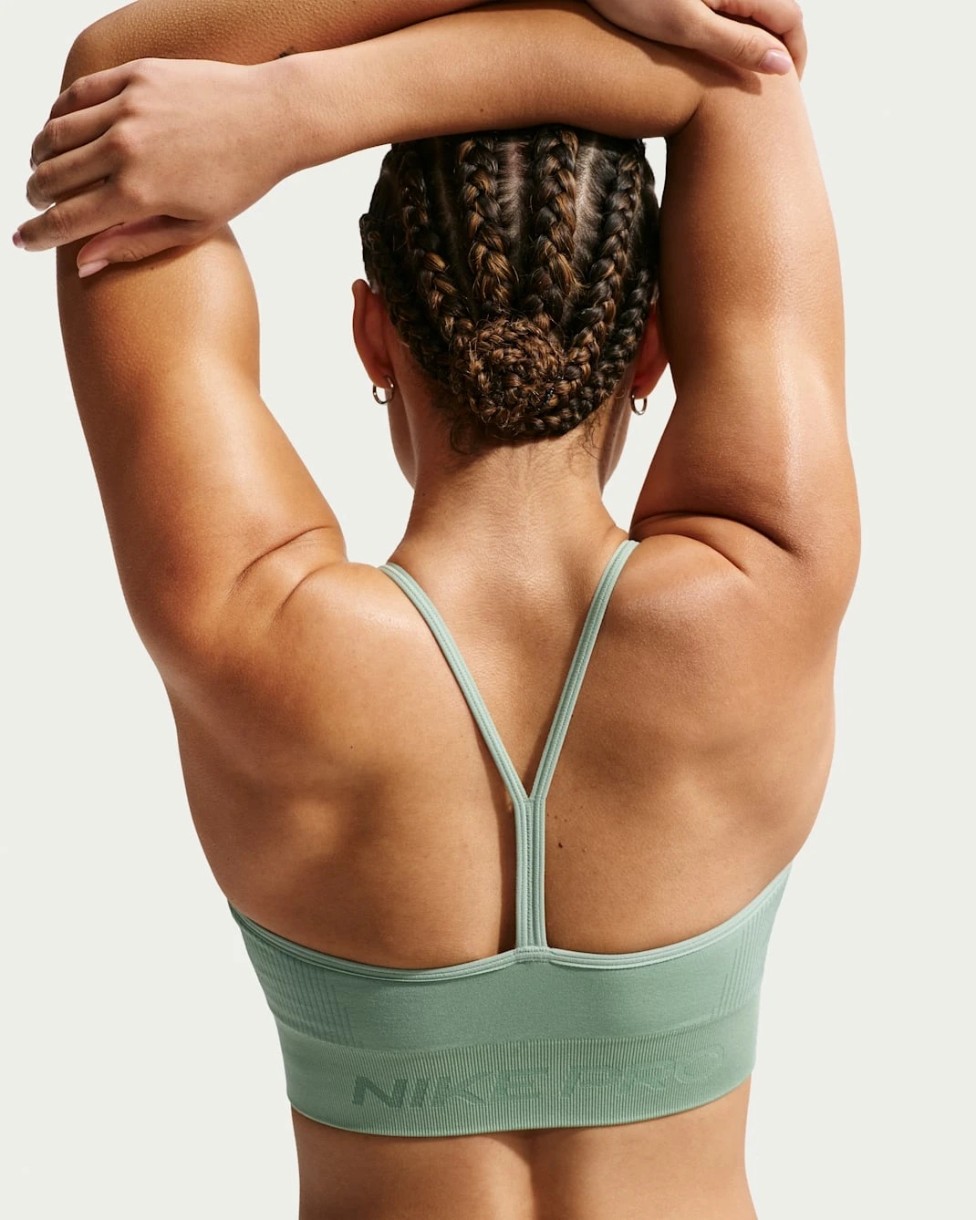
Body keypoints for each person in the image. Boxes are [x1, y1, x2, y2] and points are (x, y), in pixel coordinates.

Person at [15, 1, 857, 1216]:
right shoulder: (769, 577)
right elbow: (738, 79)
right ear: (653, 346)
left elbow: (119, 72)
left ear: (373, 334)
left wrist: (293, 106)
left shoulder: (244, 621)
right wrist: (304, 116)